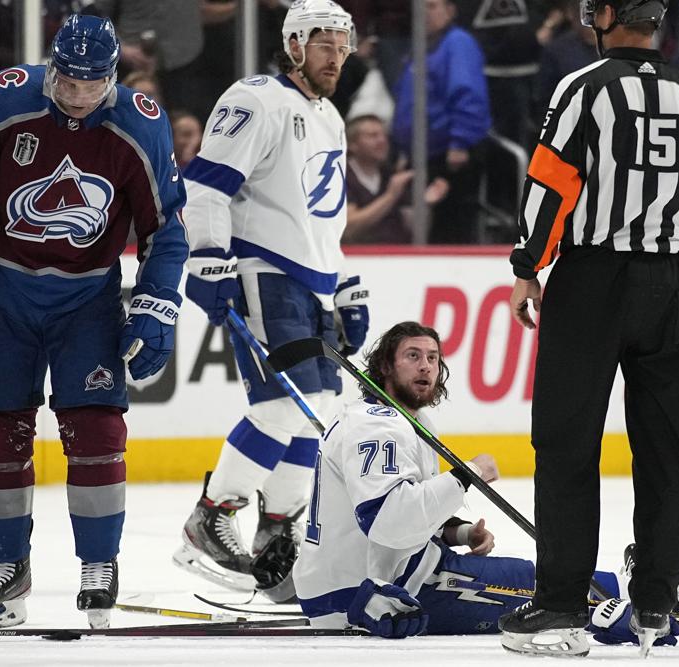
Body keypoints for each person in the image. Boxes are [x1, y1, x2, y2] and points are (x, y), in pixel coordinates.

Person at [0, 14, 187, 631]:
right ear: (50, 68)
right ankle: (6, 563)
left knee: (95, 426)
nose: (75, 95)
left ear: (113, 79)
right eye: (65, 80)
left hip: (88, 298)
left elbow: (165, 227)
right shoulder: (4, 95)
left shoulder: (140, 124)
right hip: (4, 287)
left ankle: (99, 565)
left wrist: (156, 303)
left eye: (89, 85)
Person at [499, 0, 679, 656]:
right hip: (672, 285)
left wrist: (528, 267)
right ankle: (657, 606)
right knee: (669, 452)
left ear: (605, 15)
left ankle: (560, 607)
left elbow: (551, 182)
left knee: (567, 441)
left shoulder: (585, 86)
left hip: (591, 283)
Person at [292, 321, 679, 642]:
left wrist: (458, 532)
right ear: (385, 366)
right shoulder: (378, 426)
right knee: (551, 600)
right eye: (412, 356)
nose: (426, 367)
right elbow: (388, 521)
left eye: (432, 357)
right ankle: (668, 610)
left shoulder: (392, 421)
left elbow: (388, 515)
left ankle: (647, 591)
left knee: (542, 581)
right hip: (372, 594)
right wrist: (464, 477)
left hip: (374, 577)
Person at [174, 0, 369, 603]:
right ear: (293, 46)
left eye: (342, 45)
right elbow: (205, 185)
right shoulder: (254, 98)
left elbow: (322, 215)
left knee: (321, 410)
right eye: (322, 44)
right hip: (264, 272)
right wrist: (208, 256)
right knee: (285, 407)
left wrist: (342, 284)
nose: (334, 56)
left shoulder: (331, 117)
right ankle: (211, 516)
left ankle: (277, 534)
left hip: (311, 283)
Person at [391, 0, 491, 244]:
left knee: (449, 229)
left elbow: (467, 93)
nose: (425, 13)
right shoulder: (421, 47)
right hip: (422, 154)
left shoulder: (457, 43)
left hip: (449, 156)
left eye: (432, 6)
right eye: (421, 7)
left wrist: (459, 143)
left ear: (450, 11)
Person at [343, 114, 449, 244]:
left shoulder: (391, 175)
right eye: (372, 136)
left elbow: (412, 229)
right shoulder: (342, 175)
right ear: (352, 144)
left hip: (396, 255)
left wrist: (425, 203)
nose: (382, 141)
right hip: (358, 257)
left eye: (384, 135)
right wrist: (390, 196)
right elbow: (348, 228)